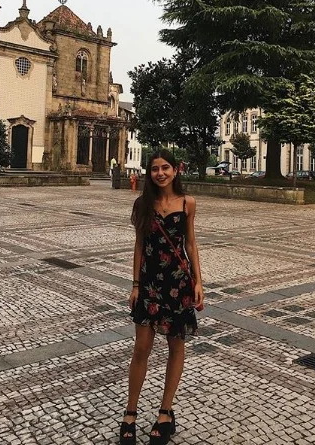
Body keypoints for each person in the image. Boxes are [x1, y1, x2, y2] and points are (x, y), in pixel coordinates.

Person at [120, 149, 204, 445]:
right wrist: (135, 285)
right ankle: (130, 413)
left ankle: (165, 412)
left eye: (165, 167)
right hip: (150, 283)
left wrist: (198, 282)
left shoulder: (188, 203)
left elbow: (190, 244)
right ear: (149, 173)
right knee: (141, 348)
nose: (160, 173)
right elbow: (139, 246)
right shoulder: (142, 204)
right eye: (155, 169)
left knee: (175, 346)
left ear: (175, 170)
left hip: (178, 283)